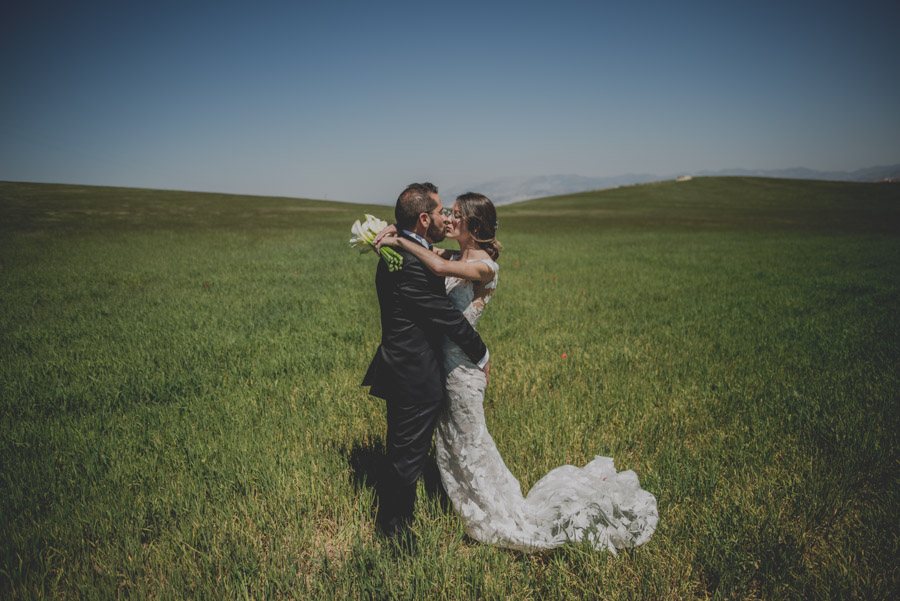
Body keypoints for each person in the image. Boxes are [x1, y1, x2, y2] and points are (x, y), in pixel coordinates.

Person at [376, 192, 658, 552]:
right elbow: (428, 253)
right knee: (456, 445)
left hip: (464, 369)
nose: (449, 219)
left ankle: (494, 512)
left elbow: (436, 267)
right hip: (441, 367)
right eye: (447, 212)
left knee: (472, 444)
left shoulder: (482, 266)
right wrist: (393, 235)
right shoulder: (456, 254)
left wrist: (399, 239)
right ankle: (461, 503)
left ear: (474, 225)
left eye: (457, 215)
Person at [362, 183, 490, 544]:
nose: (445, 218)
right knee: (406, 460)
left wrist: (396, 234)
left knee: (403, 452)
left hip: (407, 368)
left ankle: (397, 520)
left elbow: (444, 255)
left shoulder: (410, 249)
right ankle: (394, 536)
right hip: (413, 374)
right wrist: (482, 356)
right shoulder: (407, 264)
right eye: (439, 213)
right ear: (423, 219)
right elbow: (447, 319)